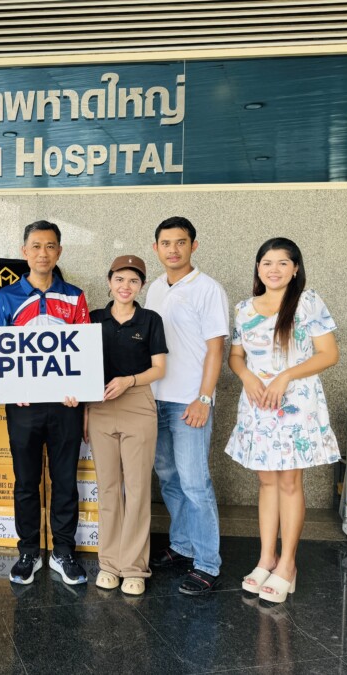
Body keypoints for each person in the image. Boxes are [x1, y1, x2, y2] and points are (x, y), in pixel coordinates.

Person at [225, 237, 339, 603]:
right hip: (258, 403)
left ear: (295, 268)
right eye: (266, 263)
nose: (273, 269)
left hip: (296, 403)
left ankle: (288, 564)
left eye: (282, 263)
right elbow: (236, 357)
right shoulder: (244, 308)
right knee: (266, 481)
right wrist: (247, 377)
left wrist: (285, 376)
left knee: (290, 482)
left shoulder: (307, 302)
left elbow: (329, 354)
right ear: (258, 268)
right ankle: (266, 559)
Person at [0, 220, 90, 586]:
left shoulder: (75, 297)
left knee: (64, 481)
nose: (43, 253)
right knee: (26, 481)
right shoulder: (7, 298)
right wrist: (11, 389)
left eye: (50, 246)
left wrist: (79, 387)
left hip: (65, 406)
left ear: (59, 251)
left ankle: (63, 551)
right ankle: (28, 551)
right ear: (24, 252)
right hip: (24, 406)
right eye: (36, 246)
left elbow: (83, 353)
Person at [144, 216, 228, 596]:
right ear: (156, 248)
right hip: (155, 399)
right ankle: (182, 546)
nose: (173, 249)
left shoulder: (208, 289)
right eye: (166, 243)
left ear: (194, 245)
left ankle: (208, 563)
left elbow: (216, 350)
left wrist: (204, 398)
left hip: (190, 402)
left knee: (195, 483)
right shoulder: (154, 288)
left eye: (180, 242)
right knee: (169, 478)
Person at [85, 255, 167, 595]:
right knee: (107, 488)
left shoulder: (150, 320)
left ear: (141, 286)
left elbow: (159, 368)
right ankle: (109, 563)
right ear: (109, 281)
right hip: (100, 406)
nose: (125, 286)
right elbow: (81, 368)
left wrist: (129, 380)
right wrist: (86, 412)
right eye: (119, 279)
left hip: (137, 405)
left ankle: (134, 567)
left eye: (133, 281)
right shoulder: (93, 319)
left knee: (136, 489)